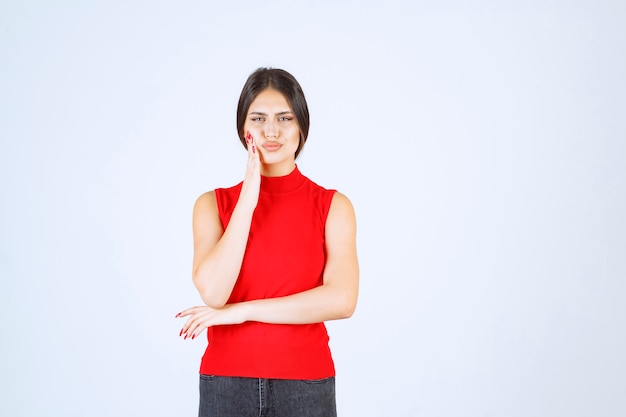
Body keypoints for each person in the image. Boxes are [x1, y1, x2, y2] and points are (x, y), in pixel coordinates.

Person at [176, 67, 359, 417]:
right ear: (243, 128)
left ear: (301, 126)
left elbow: (342, 299)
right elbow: (214, 293)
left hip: (306, 384)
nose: (271, 131)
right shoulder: (212, 205)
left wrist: (240, 312)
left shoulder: (333, 206)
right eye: (258, 118)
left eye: (284, 118)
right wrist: (249, 195)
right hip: (226, 383)